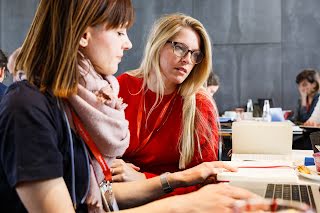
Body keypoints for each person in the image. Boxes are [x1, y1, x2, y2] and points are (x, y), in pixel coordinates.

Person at [0, 1, 256, 212]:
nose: (128, 44)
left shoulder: (71, 100)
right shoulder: (28, 107)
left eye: (195, 55)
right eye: (119, 32)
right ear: (84, 35)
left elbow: (105, 194)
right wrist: (185, 203)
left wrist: (181, 178)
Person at [116, 13, 219, 195]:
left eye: (195, 55)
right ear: (158, 44)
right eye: (180, 48)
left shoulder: (200, 105)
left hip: (175, 204)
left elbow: (206, 181)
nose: (187, 59)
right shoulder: (122, 86)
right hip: (120, 197)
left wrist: (144, 180)